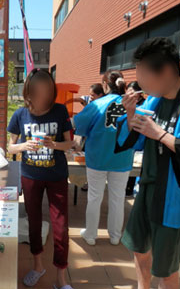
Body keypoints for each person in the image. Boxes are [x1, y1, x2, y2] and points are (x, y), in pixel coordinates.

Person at [116, 37, 180, 289]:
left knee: (166, 268)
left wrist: (161, 135)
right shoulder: (153, 100)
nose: (139, 83)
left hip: (177, 200)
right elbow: (134, 140)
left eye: (143, 76)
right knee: (139, 249)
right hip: (149, 190)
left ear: (165, 71)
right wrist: (130, 115)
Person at [7, 68, 78, 289]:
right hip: (30, 176)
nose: (43, 97)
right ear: (28, 93)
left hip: (56, 175)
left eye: (47, 92)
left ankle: (61, 279)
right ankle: (38, 266)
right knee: (34, 222)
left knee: (60, 226)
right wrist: (23, 146)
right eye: (38, 92)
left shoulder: (59, 111)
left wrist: (54, 144)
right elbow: (10, 147)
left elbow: (70, 144)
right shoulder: (20, 114)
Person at [73, 70, 134, 246]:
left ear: (105, 85)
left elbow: (79, 124)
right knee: (117, 198)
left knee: (94, 197)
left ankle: (91, 235)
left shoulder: (97, 104)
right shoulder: (129, 104)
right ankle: (115, 236)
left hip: (97, 158)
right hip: (122, 159)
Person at [125, 81, 146, 196]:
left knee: (135, 168)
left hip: (140, 142)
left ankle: (130, 189)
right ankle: (128, 188)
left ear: (140, 93)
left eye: (133, 92)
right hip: (129, 140)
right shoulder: (125, 103)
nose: (130, 94)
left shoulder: (145, 105)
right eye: (128, 91)